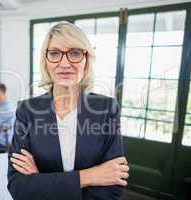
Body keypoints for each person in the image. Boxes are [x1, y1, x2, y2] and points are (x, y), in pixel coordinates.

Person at [7, 22, 129, 200]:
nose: (65, 63)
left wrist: (41, 180)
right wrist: (90, 176)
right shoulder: (27, 111)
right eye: (55, 53)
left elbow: (114, 187)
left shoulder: (107, 109)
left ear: (86, 61)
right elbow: (19, 187)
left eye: (74, 53)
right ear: (46, 61)